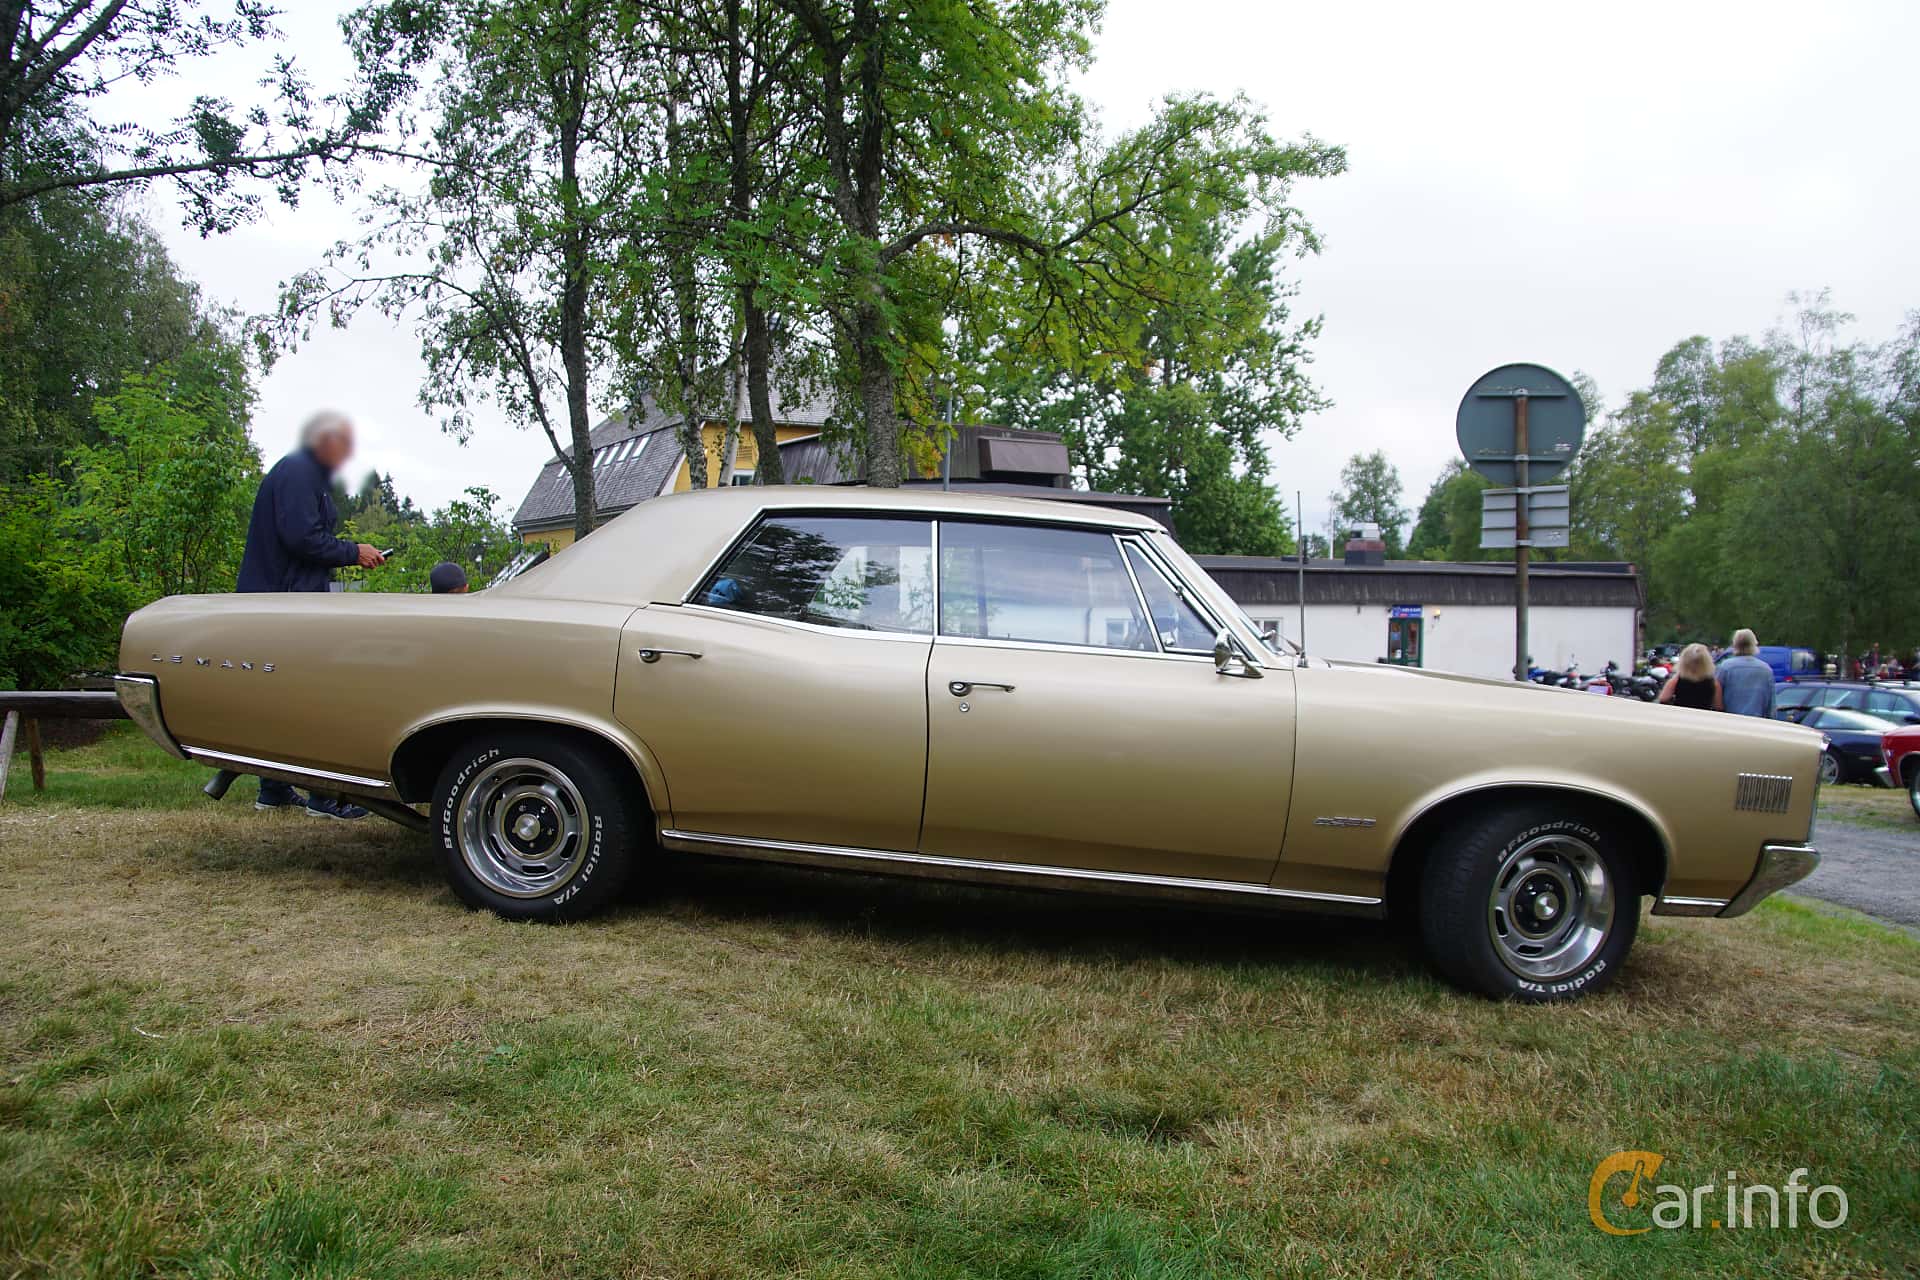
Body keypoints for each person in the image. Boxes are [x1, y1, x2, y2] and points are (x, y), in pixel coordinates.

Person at [233, 410, 385, 819]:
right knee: (311, 697)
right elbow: (301, 537)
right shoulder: (299, 472)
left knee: (278, 698)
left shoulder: (303, 475)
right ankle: (322, 796)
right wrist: (354, 552)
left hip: (280, 602)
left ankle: (274, 788)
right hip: (285, 605)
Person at [1715, 628, 1776, 719]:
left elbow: (1717, 698)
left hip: (1730, 722)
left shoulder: (1725, 667)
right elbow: (1771, 704)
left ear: (1735, 645)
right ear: (1754, 644)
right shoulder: (1766, 670)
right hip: (1757, 723)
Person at [1657, 643, 1722, 710]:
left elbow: (1663, 699)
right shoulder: (1714, 683)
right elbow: (1718, 707)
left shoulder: (1677, 680)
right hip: (1703, 718)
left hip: (1680, 716)